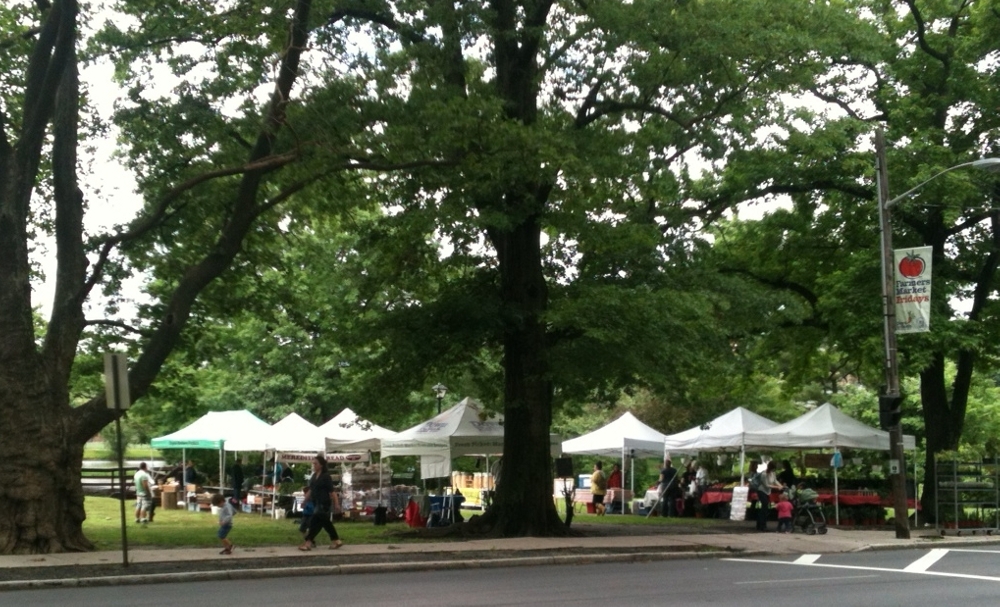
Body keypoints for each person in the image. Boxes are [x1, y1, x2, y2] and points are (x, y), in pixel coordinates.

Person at [299, 455, 343, 550]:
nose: (314, 465)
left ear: (321, 465)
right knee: (325, 523)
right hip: (316, 502)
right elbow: (310, 490)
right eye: (313, 463)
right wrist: (304, 501)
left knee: (314, 521)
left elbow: (332, 491)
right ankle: (336, 540)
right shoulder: (314, 476)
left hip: (324, 503)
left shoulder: (326, 477)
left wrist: (336, 504)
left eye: (316, 463)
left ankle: (308, 542)